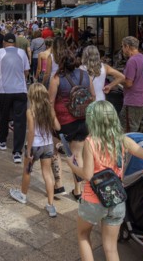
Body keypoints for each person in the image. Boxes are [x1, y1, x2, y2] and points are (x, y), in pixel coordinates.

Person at [66, 101, 143, 261]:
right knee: (110, 248)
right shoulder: (123, 140)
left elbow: (87, 175)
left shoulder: (91, 141)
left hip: (93, 200)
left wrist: (71, 163)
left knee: (83, 235)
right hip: (117, 199)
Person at [9, 83, 61, 217]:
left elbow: (31, 131)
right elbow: (58, 127)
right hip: (48, 144)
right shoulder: (49, 109)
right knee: (47, 174)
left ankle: (23, 195)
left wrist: (28, 150)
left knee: (27, 171)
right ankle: (50, 205)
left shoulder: (30, 111)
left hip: (35, 145)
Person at [49, 51, 95, 200]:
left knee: (55, 152)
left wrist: (54, 120)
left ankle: (59, 185)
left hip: (64, 123)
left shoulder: (57, 78)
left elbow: (50, 102)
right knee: (76, 155)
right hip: (83, 121)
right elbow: (93, 96)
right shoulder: (85, 75)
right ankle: (78, 190)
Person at [0, 33, 31, 163]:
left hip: (4, 90)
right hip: (20, 90)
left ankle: (2, 140)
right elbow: (26, 72)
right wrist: (21, 80)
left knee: (4, 116)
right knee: (20, 121)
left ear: (4, 42)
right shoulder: (22, 53)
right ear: (15, 43)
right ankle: (17, 152)